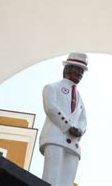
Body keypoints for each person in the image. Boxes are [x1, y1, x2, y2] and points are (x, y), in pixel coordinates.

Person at [39, 53, 88, 186]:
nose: (80, 74)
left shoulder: (79, 97)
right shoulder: (52, 87)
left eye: (82, 71)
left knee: (67, 179)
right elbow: (51, 108)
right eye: (77, 69)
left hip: (74, 143)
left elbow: (83, 119)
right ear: (66, 69)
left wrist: (80, 130)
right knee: (52, 177)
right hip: (55, 136)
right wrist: (67, 126)